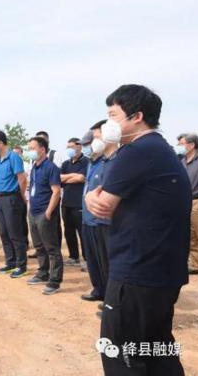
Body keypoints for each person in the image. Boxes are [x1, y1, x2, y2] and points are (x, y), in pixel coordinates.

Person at [86, 84, 190, 374]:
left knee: (120, 354)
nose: (107, 124)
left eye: (113, 115)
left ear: (137, 116)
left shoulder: (136, 151)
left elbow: (103, 205)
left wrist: (90, 195)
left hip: (137, 272)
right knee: (157, 350)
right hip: (162, 272)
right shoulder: (160, 148)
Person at [80, 122, 118, 311]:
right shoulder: (92, 163)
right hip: (87, 219)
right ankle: (98, 289)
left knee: (106, 262)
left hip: (101, 220)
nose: (92, 144)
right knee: (93, 259)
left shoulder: (109, 163)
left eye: (96, 138)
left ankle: (110, 298)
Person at [25, 136, 63, 295]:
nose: (30, 151)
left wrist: (48, 212)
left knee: (51, 248)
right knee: (39, 246)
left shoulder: (51, 167)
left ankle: (54, 281)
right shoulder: (34, 167)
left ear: (42, 149)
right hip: (33, 212)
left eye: (33, 148)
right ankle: (42, 273)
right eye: (29, 148)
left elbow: (56, 191)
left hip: (44, 213)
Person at [0, 130, 28, 278]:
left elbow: (22, 179)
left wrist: (20, 196)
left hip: (11, 198)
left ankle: (21, 265)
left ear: (1, 143)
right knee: (4, 232)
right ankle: (10, 262)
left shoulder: (13, 157)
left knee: (15, 233)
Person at [177, 133, 198, 283]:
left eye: (181, 144)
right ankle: (195, 265)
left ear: (192, 145)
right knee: (191, 237)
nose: (179, 147)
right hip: (185, 202)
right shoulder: (182, 162)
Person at [60, 138, 88, 267]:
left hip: (79, 203)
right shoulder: (65, 164)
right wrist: (73, 177)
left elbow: (82, 178)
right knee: (69, 231)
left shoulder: (86, 161)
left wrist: (67, 178)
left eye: (71, 147)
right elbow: (59, 179)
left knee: (82, 232)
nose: (69, 149)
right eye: (68, 147)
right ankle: (73, 256)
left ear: (79, 147)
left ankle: (87, 259)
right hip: (66, 203)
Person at [14, 145, 33, 256]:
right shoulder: (11, 164)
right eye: (14, 153)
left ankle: (25, 243)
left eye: (18, 153)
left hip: (24, 195)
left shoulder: (26, 165)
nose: (16, 155)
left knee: (22, 220)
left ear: (21, 153)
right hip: (13, 195)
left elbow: (28, 179)